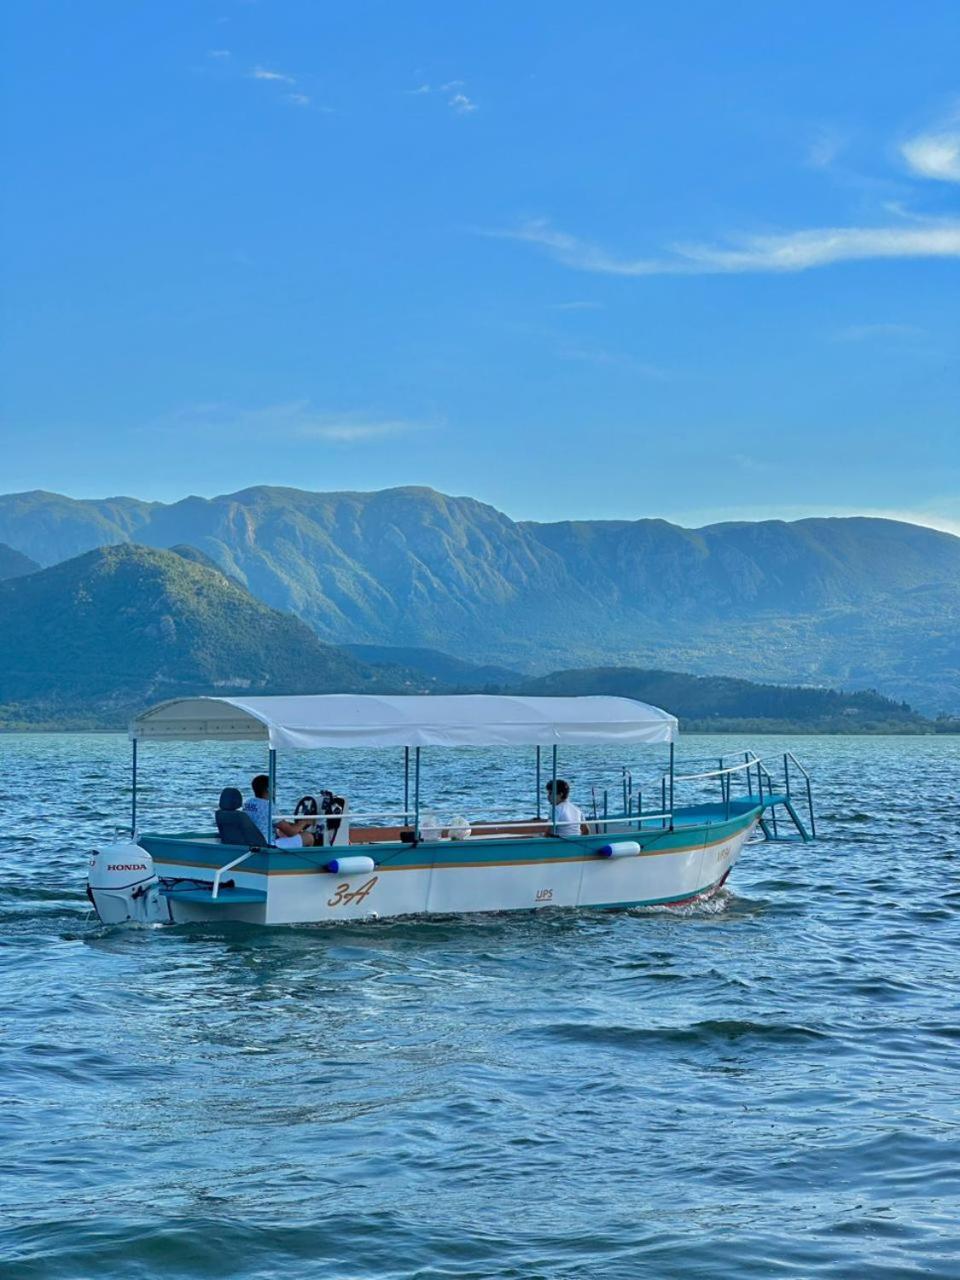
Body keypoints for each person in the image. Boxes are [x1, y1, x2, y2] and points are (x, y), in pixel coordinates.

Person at [243, 774, 317, 849]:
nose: (275, 789)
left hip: (251, 842)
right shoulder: (268, 807)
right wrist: (303, 823)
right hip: (267, 845)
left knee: (281, 833)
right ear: (269, 789)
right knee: (308, 837)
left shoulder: (247, 803)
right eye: (273, 787)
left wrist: (291, 824)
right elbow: (290, 832)